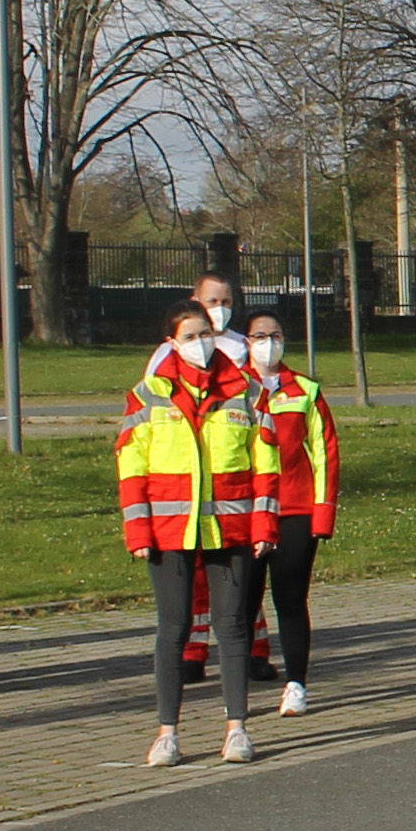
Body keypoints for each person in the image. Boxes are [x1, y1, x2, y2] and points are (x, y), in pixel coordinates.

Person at [116, 302, 279, 768]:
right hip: (168, 532)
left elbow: (267, 466)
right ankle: (167, 732)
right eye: (189, 336)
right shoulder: (148, 396)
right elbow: (131, 467)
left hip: (231, 530)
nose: (200, 343)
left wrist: (264, 524)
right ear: (170, 344)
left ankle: (237, 728)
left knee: (232, 628)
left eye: (205, 333)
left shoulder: (246, 392)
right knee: (173, 629)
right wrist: (138, 528)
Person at [242, 312, 339, 718]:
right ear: (246, 341)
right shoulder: (231, 388)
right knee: (241, 604)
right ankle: (237, 688)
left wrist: (322, 514)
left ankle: (296, 684)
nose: (268, 342)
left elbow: (325, 454)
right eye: (260, 336)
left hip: (294, 509)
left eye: (275, 335)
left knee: (291, 600)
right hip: (243, 511)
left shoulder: (303, 389)